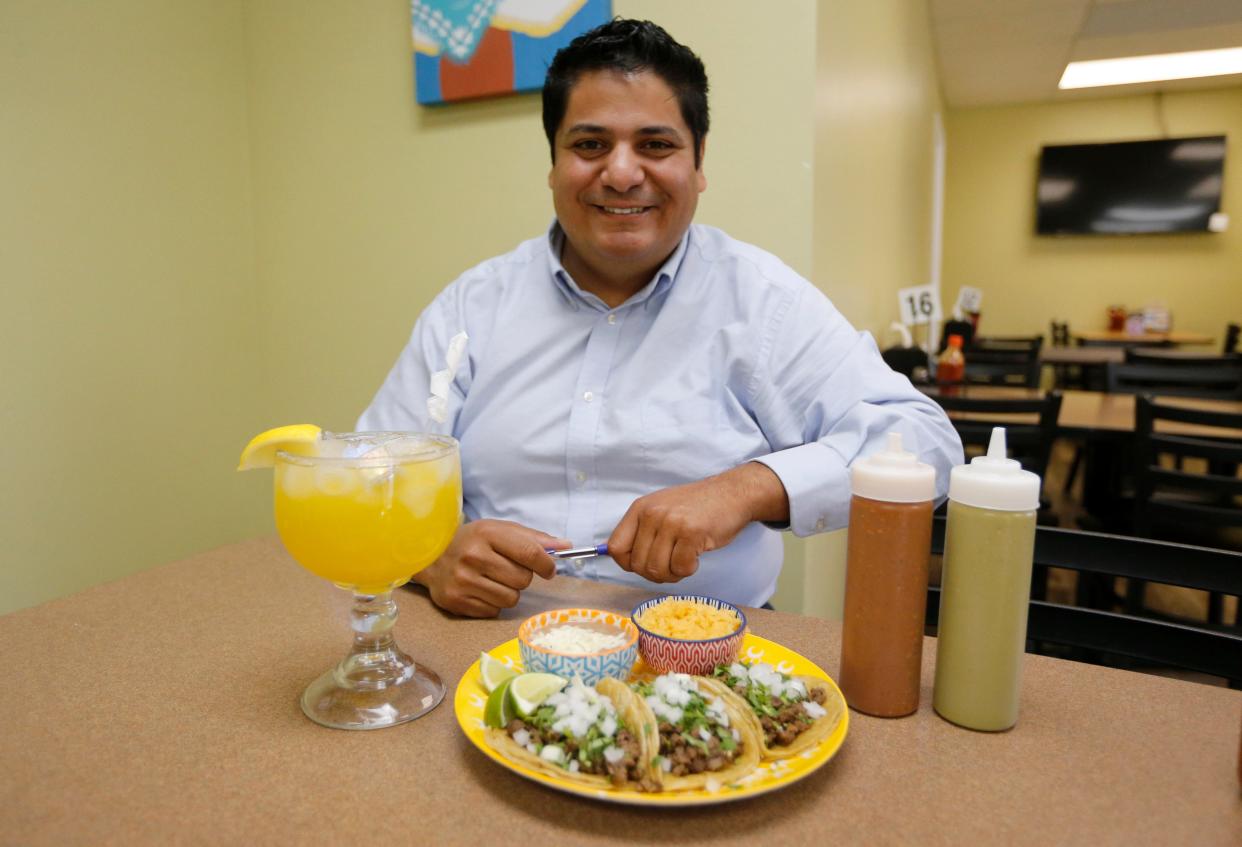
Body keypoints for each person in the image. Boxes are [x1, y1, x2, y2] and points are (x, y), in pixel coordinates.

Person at [358, 19, 962, 617]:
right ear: (553, 167)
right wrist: (431, 557)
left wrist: (744, 489)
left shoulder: (763, 302)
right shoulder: (472, 306)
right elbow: (367, 479)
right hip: (492, 646)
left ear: (698, 165)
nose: (621, 173)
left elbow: (926, 445)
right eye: (590, 144)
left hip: (704, 655)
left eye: (656, 144)